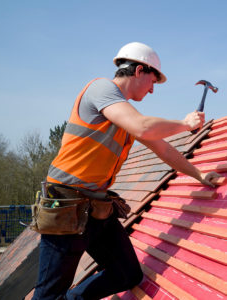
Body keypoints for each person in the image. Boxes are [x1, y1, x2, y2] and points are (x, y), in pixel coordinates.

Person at [32, 42, 220, 300]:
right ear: (139, 70)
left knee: (127, 274)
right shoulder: (101, 89)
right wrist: (185, 124)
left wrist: (199, 175)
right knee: (48, 295)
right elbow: (143, 127)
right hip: (66, 204)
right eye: (153, 81)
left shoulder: (123, 114)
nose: (153, 90)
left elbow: (165, 150)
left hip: (96, 206)